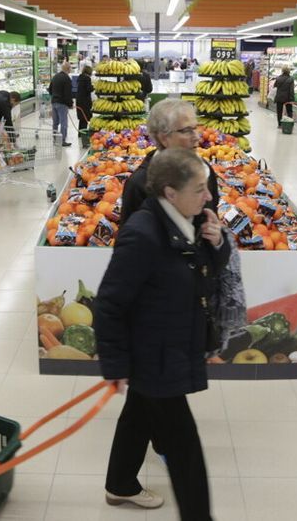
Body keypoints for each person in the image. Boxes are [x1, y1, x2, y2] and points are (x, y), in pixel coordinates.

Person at [95, 147, 228, 521]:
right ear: (171, 192)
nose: (210, 196)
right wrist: (117, 364)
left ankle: (120, 482)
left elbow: (206, 268)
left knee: (138, 416)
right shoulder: (142, 235)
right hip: (155, 358)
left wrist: (217, 242)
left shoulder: (189, 220)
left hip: (169, 347)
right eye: (200, 188)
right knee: (186, 453)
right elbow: (108, 303)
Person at [119, 99, 219, 228]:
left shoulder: (205, 171)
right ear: (163, 138)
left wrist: (218, 241)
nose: (196, 137)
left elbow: (211, 220)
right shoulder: (140, 184)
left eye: (195, 128)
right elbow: (130, 241)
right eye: (186, 130)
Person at [50, 61, 74, 146]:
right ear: (68, 69)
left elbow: (50, 89)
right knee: (64, 122)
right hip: (62, 104)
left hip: (54, 102)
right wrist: (70, 104)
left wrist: (54, 97)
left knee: (55, 122)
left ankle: (55, 139)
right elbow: (68, 94)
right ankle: (62, 140)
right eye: (70, 67)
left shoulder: (55, 76)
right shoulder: (66, 78)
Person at [76, 63, 94, 131]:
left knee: (82, 119)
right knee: (85, 118)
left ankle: (80, 133)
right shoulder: (87, 78)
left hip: (79, 100)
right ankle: (84, 133)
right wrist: (94, 87)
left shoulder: (80, 77)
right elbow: (89, 89)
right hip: (85, 102)